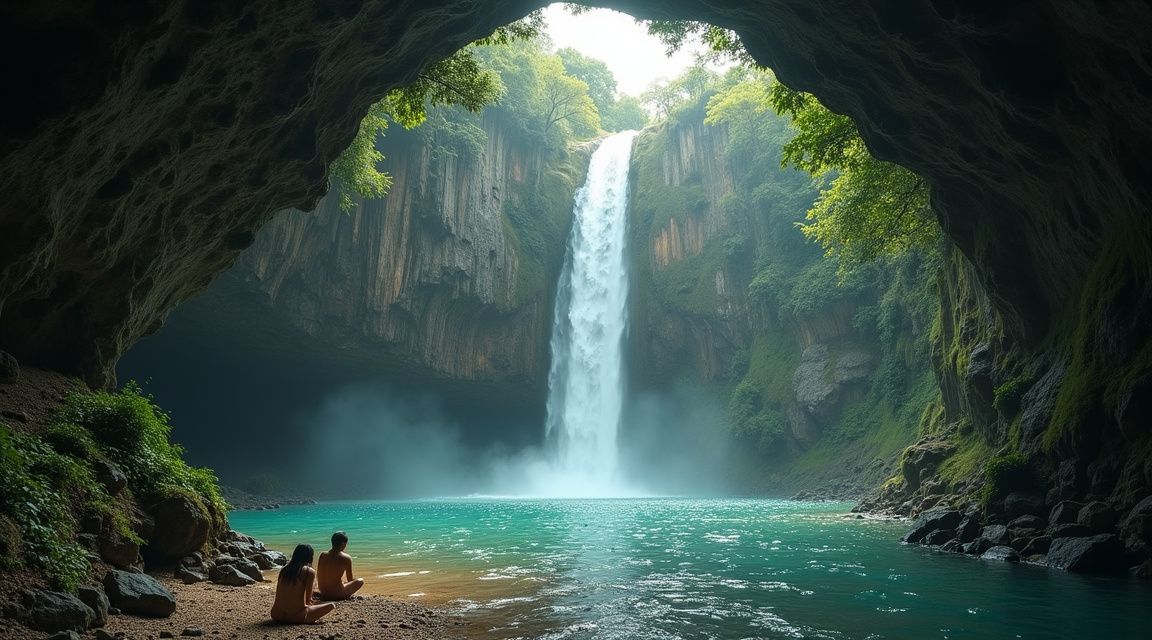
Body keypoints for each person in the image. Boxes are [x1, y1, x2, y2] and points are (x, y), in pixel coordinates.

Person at [270, 544, 335, 624]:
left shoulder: (284, 570)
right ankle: (308, 619)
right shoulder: (308, 571)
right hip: (296, 616)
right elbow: (308, 601)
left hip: (276, 614)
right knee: (331, 605)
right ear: (310, 557)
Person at [316, 530, 365, 600]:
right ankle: (344, 594)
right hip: (337, 594)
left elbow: (319, 575)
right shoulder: (346, 558)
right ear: (343, 544)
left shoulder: (323, 555)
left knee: (341, 582)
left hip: (323, 592)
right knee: (360, 580)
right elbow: (350, 579)